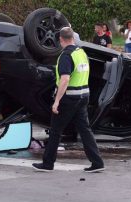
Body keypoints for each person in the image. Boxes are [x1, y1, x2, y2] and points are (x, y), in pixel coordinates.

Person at [32, 27, 105, 173]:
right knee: (85, 130)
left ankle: (48, 164)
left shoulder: (66, 55)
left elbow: (65, 80)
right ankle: (97, 162)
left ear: (60, 40)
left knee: (55, 131)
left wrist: (57, 100)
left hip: (69, 98)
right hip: (83, 96)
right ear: (73, 38)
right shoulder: (81, 52)